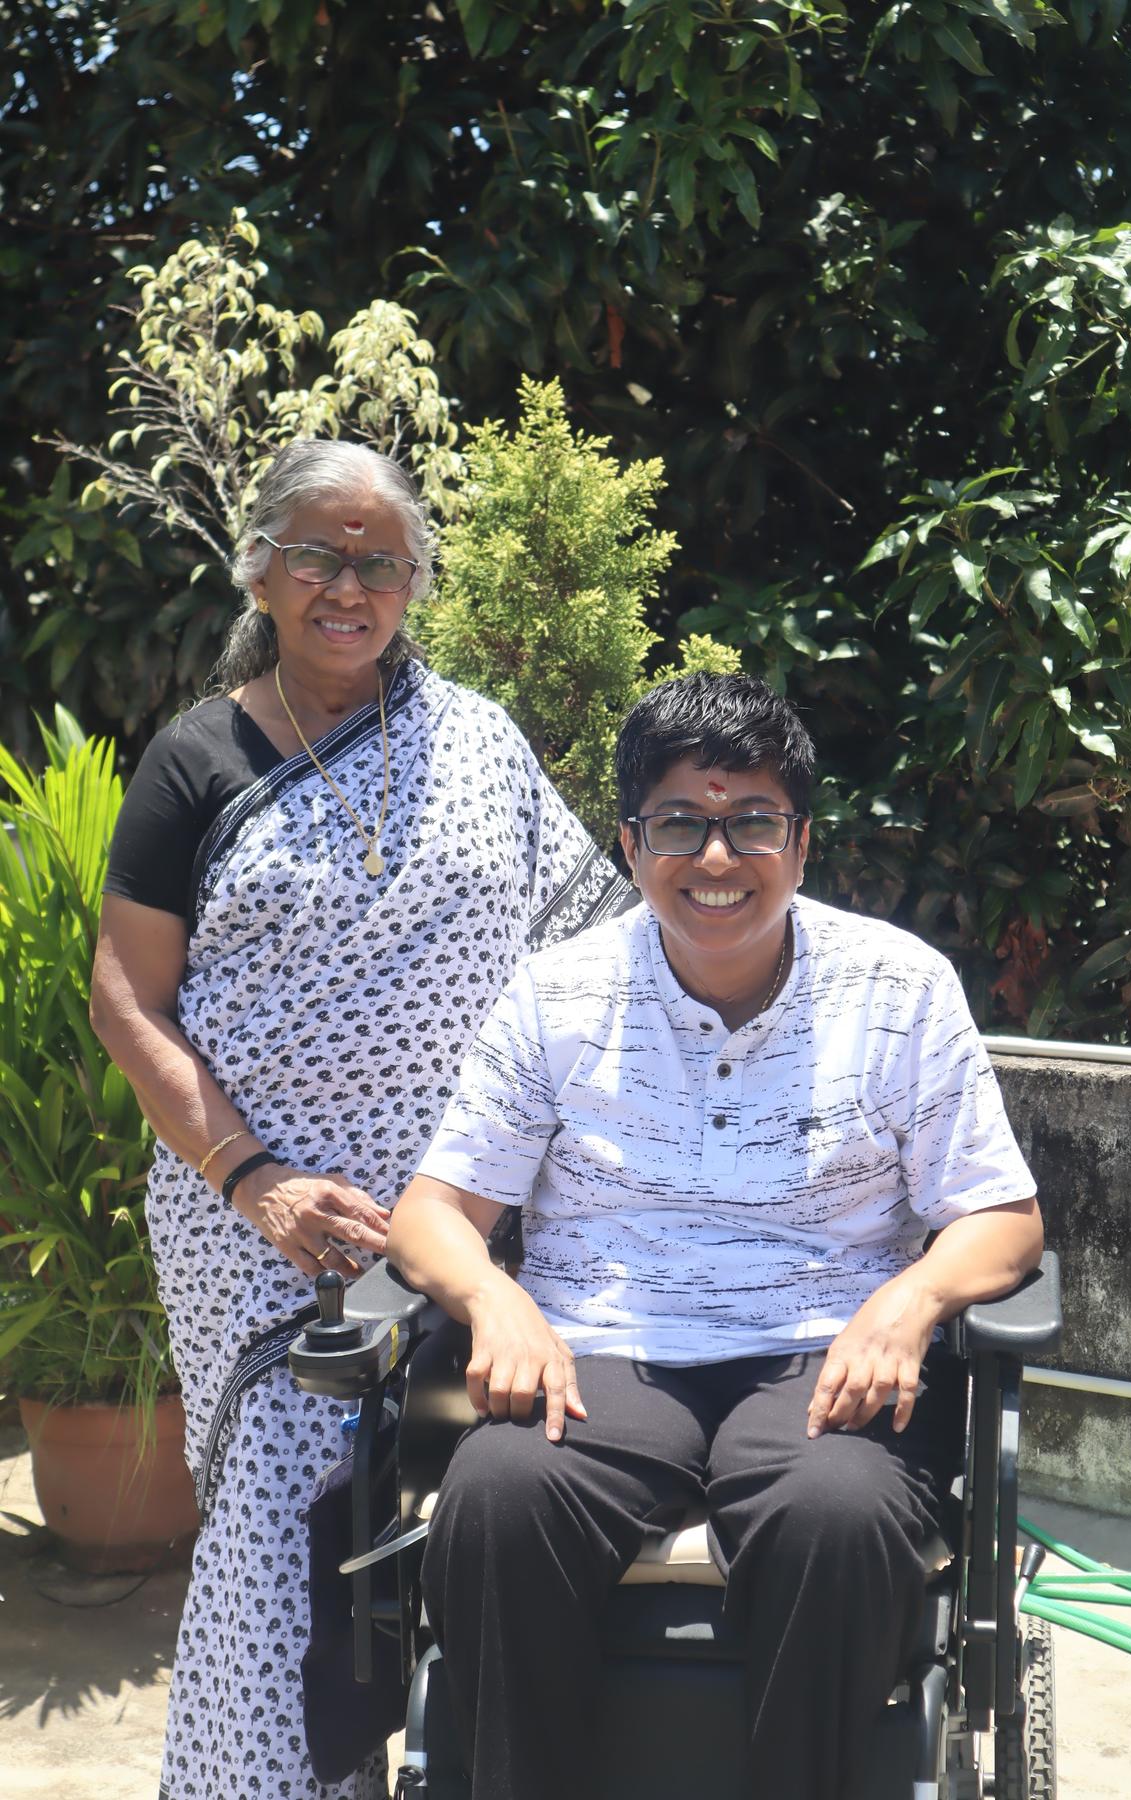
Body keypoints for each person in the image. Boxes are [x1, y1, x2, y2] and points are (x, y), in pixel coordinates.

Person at [386, 671, 1043, 1800]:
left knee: (836, 1511)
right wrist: (496, 1300)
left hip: (826, 1352)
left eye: (753, 823)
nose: (718, 857)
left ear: (803, 841)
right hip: (603, 1351)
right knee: (499, 1495)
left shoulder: (899, 989)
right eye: (681, 823)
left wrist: (914, 1299)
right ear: (632, 843)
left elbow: (1002, 1217)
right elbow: (431, 1213)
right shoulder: (557, 995)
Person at [89, 438, 629, 1800]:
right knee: (284, 1538)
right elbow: (125, 1001)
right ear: (258, 569)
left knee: (470, 1522)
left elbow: (595, 947)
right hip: (264, 1227)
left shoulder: (481, 745)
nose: (348, 587)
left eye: (380, 562)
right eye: (318, 557)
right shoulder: (195, 760)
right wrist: (254, 1177)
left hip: (476, 1212)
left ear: (415, 582)